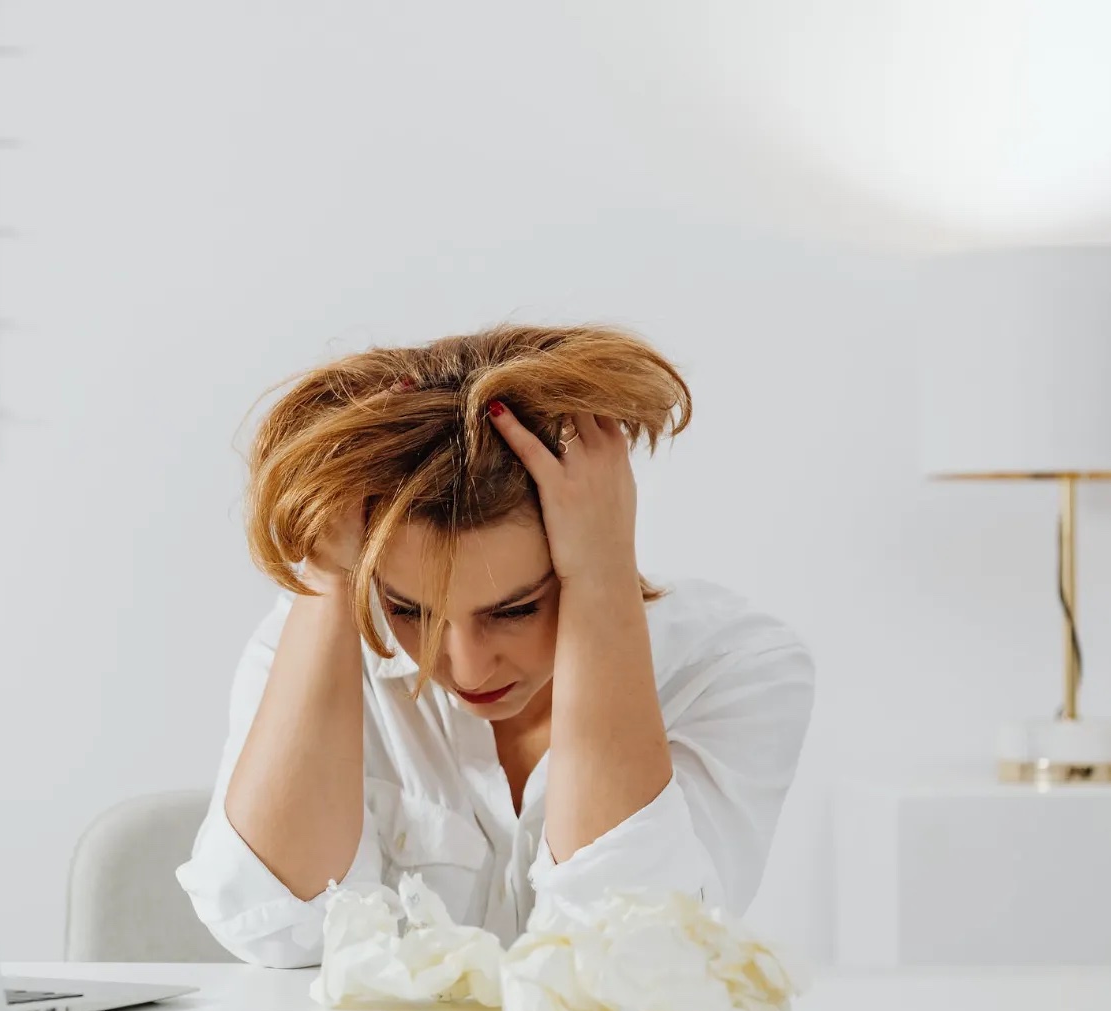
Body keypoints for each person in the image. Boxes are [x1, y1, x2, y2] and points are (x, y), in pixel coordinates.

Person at [176, 325, 815, 969]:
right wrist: (329, 568)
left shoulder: (736, 667)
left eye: (514, 610)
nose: (465, 666)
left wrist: (602, 576)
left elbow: (629, 948)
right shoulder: (329, 639)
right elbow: (275, 930)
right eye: (409, 610)